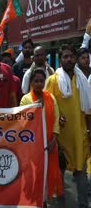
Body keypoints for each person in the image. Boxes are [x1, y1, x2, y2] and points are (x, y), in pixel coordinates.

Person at [46, 44, 91, 208]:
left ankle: (83, 205)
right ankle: (60, 205)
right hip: (60, 137)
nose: (69, 59)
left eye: (71, 56)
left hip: (80, 135)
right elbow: (47, 106)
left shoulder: (83, 81)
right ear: (61, 60)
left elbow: (88, 110)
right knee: (59, 174)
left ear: (76, 59)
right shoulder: (53, 81)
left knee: (81, 173)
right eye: (65, 56)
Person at [20, 68, 64, 206]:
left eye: (41, 81)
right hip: (33, 147)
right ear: (31, 82)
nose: (39, 84)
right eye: (36, 81)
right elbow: (22, 123)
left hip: (50, 145)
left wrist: (54, 140)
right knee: (34, 176)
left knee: (47, 177)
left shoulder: (50, 98)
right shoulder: (26, 99)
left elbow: (56, 119)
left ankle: (44, 202)